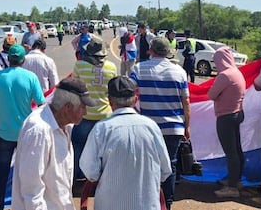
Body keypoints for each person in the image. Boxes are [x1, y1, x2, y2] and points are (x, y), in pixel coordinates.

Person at [80, 76, 172, 210]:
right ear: (135, 100)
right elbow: (165, 170)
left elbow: (90, 172)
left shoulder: (102, 129)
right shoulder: (151, 127)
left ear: (110, 101)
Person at [11, 78, 95, 210]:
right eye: (82, 107)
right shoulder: (39, 131)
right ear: (67, 107)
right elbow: (31, 189)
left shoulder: (65, 126)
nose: (85, 113)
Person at [0, 44, 45, 210]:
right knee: (28, 173)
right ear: (23, 60)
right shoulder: (30, 77)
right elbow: (41, 105)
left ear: (8, 59)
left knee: (1, 175)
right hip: (26, 134)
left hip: (3, 134)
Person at [130, 37, 190, 209]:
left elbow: (129, 93)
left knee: (147, 164)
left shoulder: (139, 69)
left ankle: (148, 202)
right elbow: (186, 102)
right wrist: (187, 126)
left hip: (148, 127)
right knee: (169, 165)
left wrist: (136, 113)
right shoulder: (179, 71)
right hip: (174, 128)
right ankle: (167, 203)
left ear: (151, 50)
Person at [71, 37, 118, 182]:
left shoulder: (80, 66)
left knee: (78, 144)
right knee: (104, 149)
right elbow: (113, 90)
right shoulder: (111, 67)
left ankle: (78, 175)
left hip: (85, 115)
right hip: (105, 114)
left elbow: (74, 88)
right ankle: (102, 176)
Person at [207, 47, 246, 198]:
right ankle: (235, 180)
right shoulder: (236, 72)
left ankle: (232, 187)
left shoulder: (225, 75)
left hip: (226, 116)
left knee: (231, 153)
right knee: (236, 149)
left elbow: (211, 94)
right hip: (237, 113)